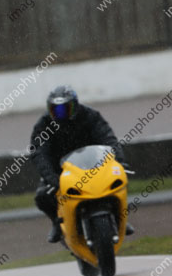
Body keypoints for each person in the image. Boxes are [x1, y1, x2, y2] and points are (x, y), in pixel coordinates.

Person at [31, 85, 133, 242]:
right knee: (42, 196)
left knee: (118, 180)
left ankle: (120, 218)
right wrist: (51, 177)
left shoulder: (90, 116)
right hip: (61, 171)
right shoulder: (44, 124)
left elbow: (108, 138)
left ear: (75, 106)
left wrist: (119, 161)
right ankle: (57, 223)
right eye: (55, 110)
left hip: (94, 164)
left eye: (66, 108)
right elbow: (39, 153)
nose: (60, 114)